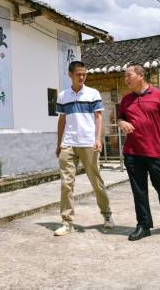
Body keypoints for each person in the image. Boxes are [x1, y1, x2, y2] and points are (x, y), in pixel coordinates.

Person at [117, 64, 160, 241]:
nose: (126, 79)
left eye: (128, 75)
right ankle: (143, 225)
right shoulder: (126, 99)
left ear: (140, 75)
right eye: (125, 76)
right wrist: (121, 123)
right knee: (139, 190)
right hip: (132, 152)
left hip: (155, 151)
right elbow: (120, 117)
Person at [54, 60, 114, 236]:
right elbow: (62, 120)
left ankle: (107, 215)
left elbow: (98, 117)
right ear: (70, 75)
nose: (82, 77)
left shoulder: (92, 93)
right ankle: (67, 222)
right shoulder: (63, 96)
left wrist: (98, 139)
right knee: (66, 184)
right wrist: (59, 144)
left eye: (84, 74)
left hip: (88, 143)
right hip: (68, 143)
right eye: (79, 74)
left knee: (96, 182)